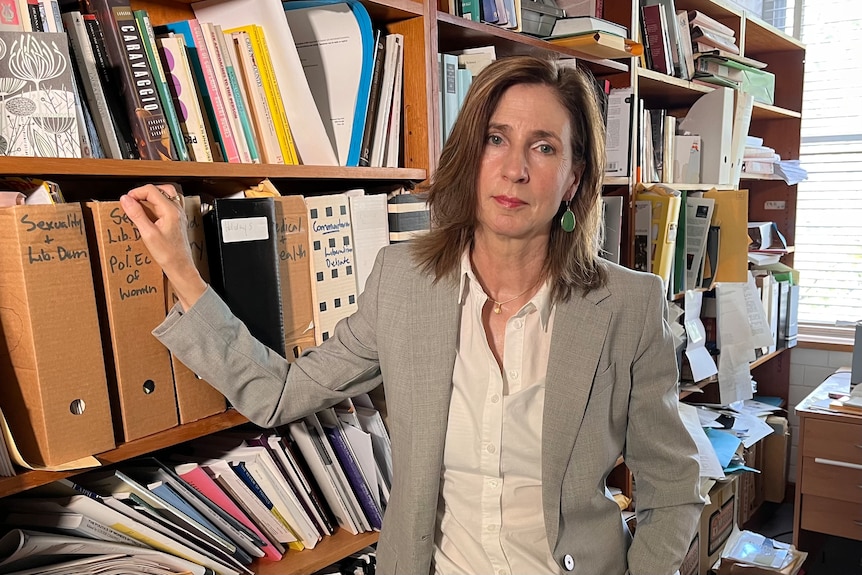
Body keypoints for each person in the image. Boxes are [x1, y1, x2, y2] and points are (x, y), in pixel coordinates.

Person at [121, 55, 703, 575]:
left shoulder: (628, 305)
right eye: (495, 139)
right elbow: (278, 395)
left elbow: (673, 487)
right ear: (469, 156)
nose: (515, 169)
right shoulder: (402, 284)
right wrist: (181, 267)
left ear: (575, 177)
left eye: (544, 146)